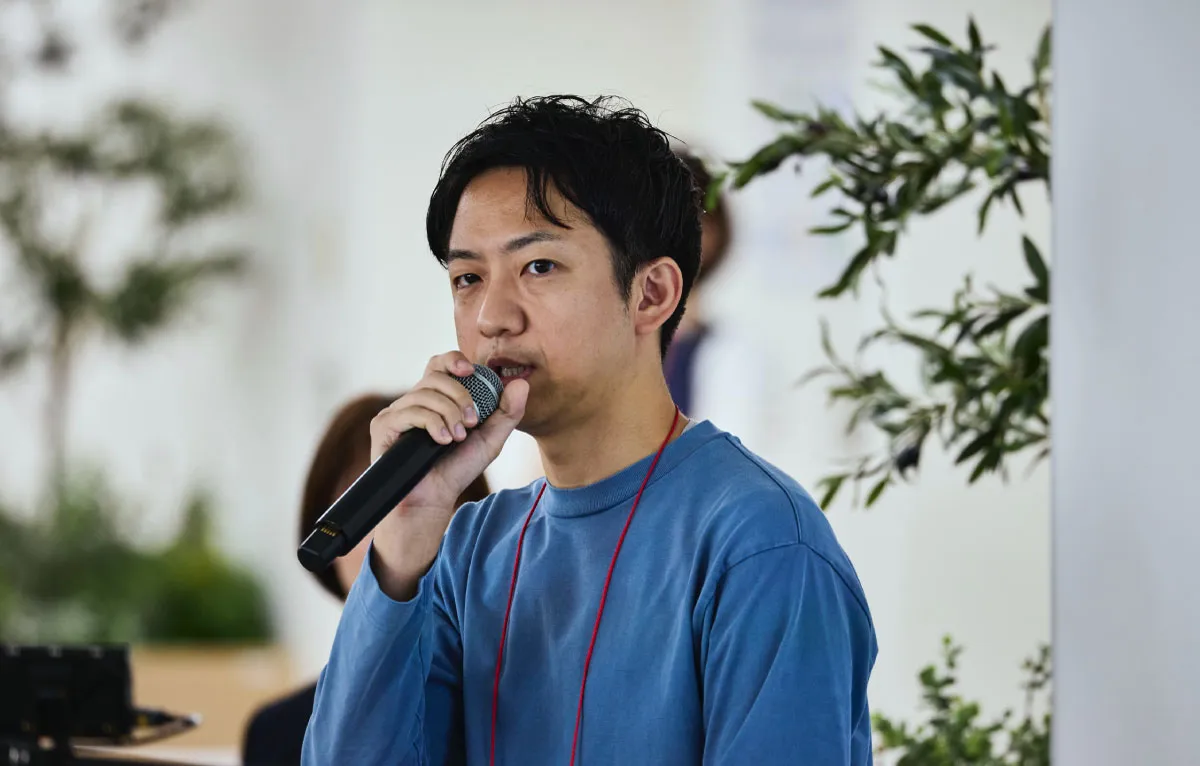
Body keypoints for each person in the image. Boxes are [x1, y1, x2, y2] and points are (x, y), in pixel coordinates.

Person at [302, 95, 877, 765]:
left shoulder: (762, 545)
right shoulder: (472, 550)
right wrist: (401, 548)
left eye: (539, 267)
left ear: (652, 294)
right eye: (467, 278)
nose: (492, 317)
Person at [241, 392, 490, 766]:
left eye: (421, 499)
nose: (395, 528)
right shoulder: (275, 732)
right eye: (374, 503)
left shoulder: (501, 706)